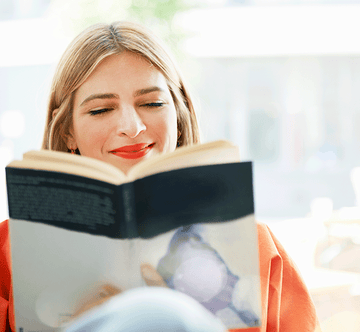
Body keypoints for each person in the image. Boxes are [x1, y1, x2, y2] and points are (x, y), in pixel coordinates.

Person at [0, 21, 321, 332]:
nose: (132, 126)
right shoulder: (9, 247)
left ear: (179, 118)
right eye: (100, 110)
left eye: (152, 103)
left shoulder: (256, 246)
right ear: (68, 131)